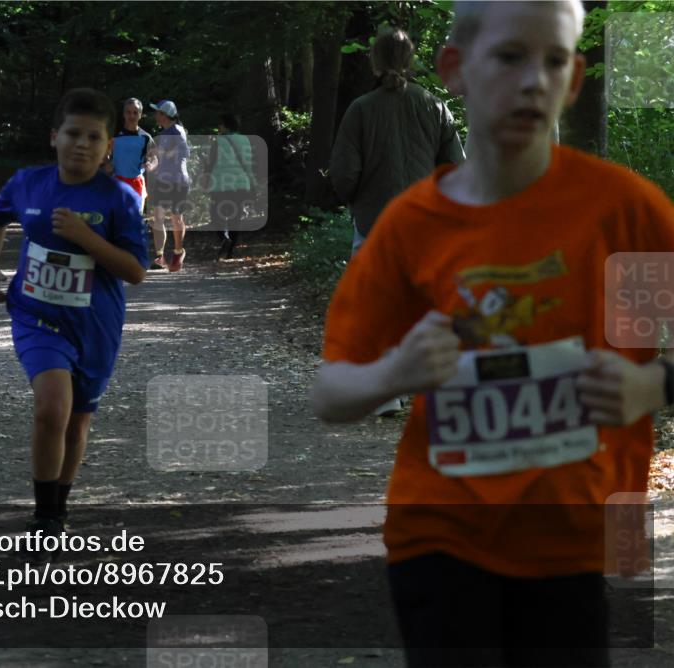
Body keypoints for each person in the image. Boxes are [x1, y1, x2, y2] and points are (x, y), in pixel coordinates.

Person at [311, 2, 674, 666]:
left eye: (555, 61)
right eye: (510, 57)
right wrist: (393, 374)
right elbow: (332, 391)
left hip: (569, 540)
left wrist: (653, 381)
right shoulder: (411, 225)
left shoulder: (624, 212)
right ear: (455, 69)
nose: (534, 80)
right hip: (439, 532)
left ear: (573, 79)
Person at [0, 88, 149, 553]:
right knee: (51, 408)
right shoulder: (27, 183)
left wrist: (85, 237)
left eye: (95, 137)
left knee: (76, 424)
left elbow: (135, 272)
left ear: (108, 146)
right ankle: (45, 518)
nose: (82, 144)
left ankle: (61, 503)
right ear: (54, 137)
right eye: (73, 134)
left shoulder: (119, 200)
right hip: (36, 316)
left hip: (95, 325)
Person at [329, 27, 465, 258]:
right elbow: (456, 170)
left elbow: (344, 175)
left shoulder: (361, 109)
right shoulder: (434, 106)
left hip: (373, 225)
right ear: (410, 59)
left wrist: (357, 200)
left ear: (375, 61)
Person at [200, 113, 255, 260]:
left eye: (220, 124)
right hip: (241, 184)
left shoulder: (218, 142)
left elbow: (210, 164)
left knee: (216, 214)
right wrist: (252, 182)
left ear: (225, 125)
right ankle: (230, 251)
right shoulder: (245, 140)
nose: (219, 127)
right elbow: (248, 163)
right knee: (235, 217)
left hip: (221, 185)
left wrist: (205, 180)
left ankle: (224, 238)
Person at [149, 100, 190, 271]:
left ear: (164, 115)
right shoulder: (164, 132)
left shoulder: (177, 131)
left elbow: (186, 153)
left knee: (176, 218)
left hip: (178, 181)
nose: (154, 115)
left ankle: (178, 252)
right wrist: (152, 165)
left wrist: (165, 153)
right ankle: (160, 257)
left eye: (157, 112)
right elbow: (161, 157)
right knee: (158, 216)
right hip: (162, 180)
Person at [106, 97, 158, 214]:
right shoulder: (114, 136)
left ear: (140, 115)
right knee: (117, 220)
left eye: (135, 112)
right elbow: (104, 155)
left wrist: (151, 164)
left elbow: (154, 157)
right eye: (128, 112)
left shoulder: (145, 137)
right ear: (124, 114)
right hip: (117, 182)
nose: (132, 116)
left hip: (137, 183)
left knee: (134, 221)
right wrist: (107, 164)